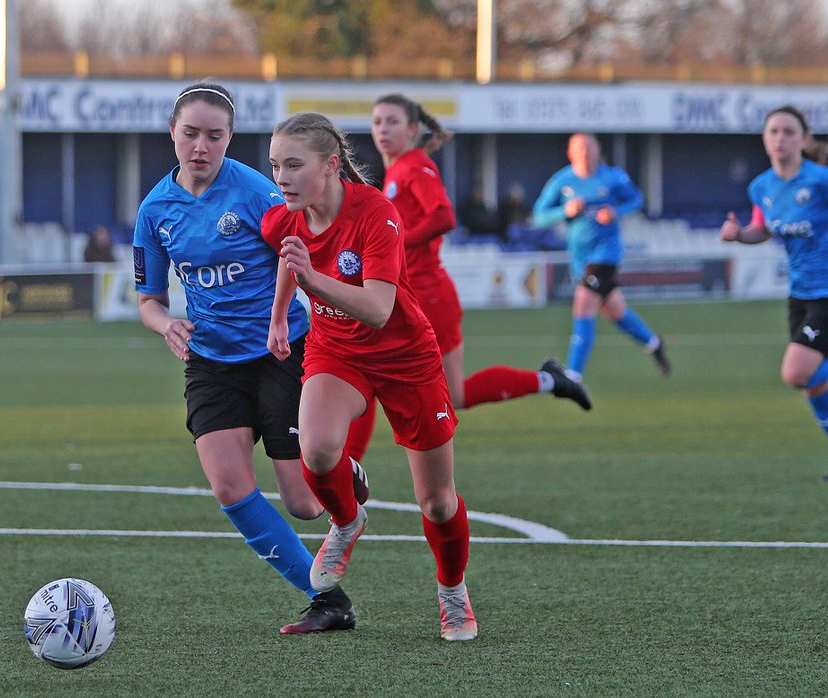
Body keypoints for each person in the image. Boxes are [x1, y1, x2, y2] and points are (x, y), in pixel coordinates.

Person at [132, 82, 366, 635]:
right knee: (230, 487)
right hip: (211, 362)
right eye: (190, 133)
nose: (201, 146)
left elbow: (295, 253)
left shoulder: (256, 192)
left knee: (304, 505)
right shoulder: (155, 210)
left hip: (279, 352)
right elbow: (148, 300)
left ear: (230, 139)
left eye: (215, 136)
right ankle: (326, 600)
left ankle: (345, 470)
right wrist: (167, 324)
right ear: (173, 133)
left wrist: (282, 316)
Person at [263, 111, 476, 642]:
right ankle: (347, 521)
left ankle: (452, 593)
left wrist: (312, 277)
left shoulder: (376, 213)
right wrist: (277, 321)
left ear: (331, 165)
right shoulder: (285, 216)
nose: (281, 178)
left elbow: (379, 308)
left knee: (437, 501)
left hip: (405, 358)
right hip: (338, 352)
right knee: (316, 451)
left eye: (293, 165)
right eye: (274, 166)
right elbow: (290, 261)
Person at [344, 94, 590, 460]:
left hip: (427, 296)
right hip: (409, 294)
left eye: (392, 121)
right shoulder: (396, 172)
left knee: (372, 372)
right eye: (377, 121)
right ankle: (549, 380)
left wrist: (393, 242)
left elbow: (443, 216)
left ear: (413, 130)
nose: (382, 129)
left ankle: (345, 472)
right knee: (441, 391)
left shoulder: (415, 166)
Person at [719, 105, 828, 481]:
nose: (780, 138)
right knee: (813, 384)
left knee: (796, 373)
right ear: (765, 139)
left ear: (803, 139)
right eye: (773, 131)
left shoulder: (823, 179)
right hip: (799, 297)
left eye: (788, 131)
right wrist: (739, 236)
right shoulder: (761, 187)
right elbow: (762, 229)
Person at [532, 132, 670, 382]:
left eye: (589, 147)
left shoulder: (613, 177)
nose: (585, 152)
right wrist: (565, 210)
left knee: (583, 302)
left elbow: (637, 199)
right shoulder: (562, 181)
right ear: (570, 153)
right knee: (615, 311)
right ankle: (654, 343)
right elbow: (540, 216)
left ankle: (572, 376)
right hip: (580, 259)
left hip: (607, 254)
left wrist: (615, 211)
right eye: (580, 148)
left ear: (598, 150)